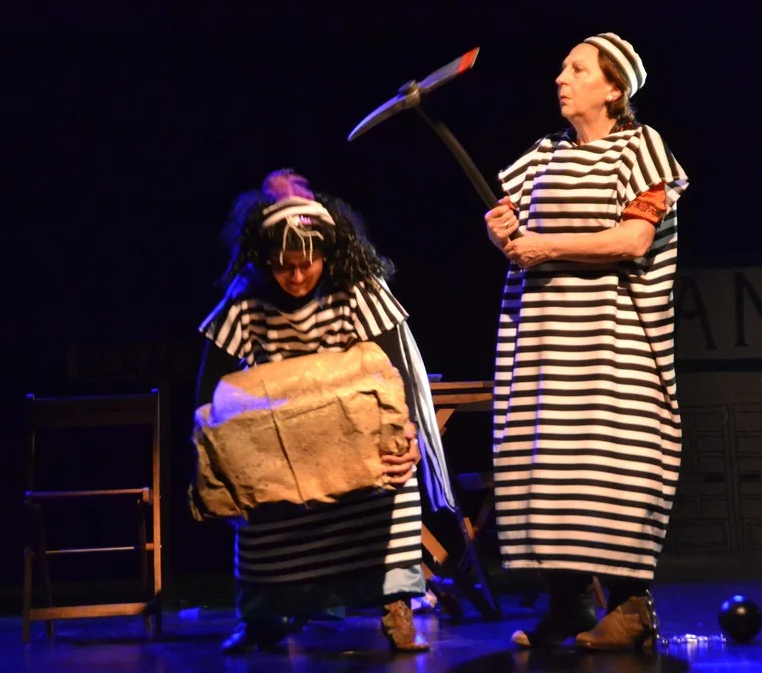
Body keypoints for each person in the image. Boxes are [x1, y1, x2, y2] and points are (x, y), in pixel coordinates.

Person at [483, 32, 690, 652]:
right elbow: (515, 233)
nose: (561, 79)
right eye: (562, 69)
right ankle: (568, 603)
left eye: (577, 70)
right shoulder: (543, 155)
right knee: (550, 465)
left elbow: (633, 240)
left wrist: (547, 246)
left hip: (612, 341)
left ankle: (630, 607)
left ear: (613, 89)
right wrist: (502, 230)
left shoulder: (640, 148)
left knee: (614, 463)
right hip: (547, 343)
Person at [194, 169, 457, 654]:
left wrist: (408, 436)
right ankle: (262, 617)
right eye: (284, 266)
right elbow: (210, 389)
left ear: (327, 255)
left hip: (354, 433)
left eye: (307, 265)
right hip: (282, 442)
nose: (297, 277)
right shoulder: (246, 301)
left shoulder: (358, 289)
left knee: (394, 481)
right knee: (260, 511)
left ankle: (395, 604)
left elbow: (395, 369)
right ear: (265, 259)